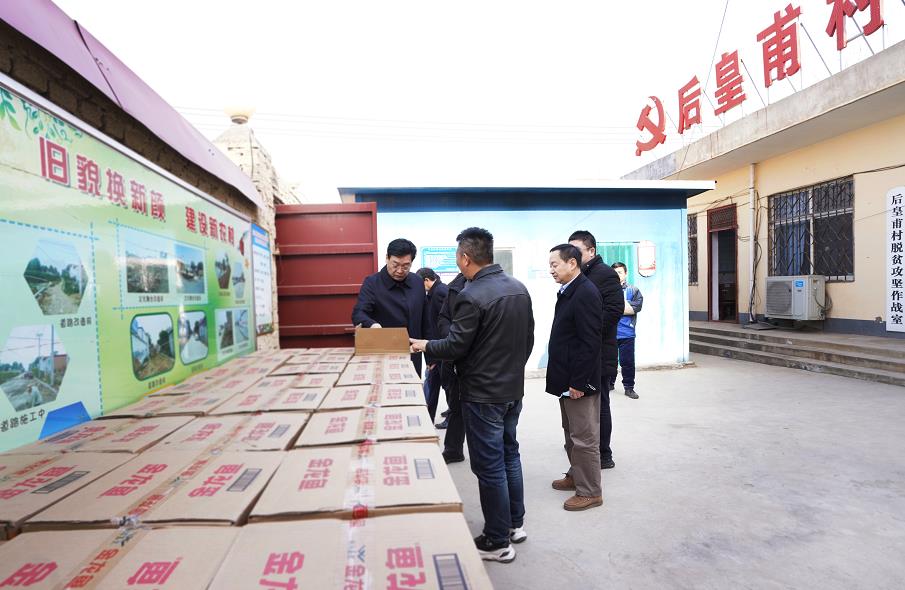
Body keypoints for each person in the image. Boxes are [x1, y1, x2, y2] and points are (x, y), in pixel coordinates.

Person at [410, 227, 534, 564]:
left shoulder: (471, 294)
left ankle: (497, 540)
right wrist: (511, 371)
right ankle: (514, 525)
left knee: (489, 466)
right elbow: (528, 340)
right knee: (509, 455)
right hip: (512, 389)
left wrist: (425, 345)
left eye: (457, 256)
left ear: (465, 258)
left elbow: (455, 345)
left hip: (482, 394)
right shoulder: (518, 288)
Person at [546, 244, 604, 511]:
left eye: (554, 265)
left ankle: (590, 491)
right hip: (566, 377)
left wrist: (579, 382)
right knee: (571, 433)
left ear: (572, 263)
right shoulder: (570, 290)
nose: (551, 270)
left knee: (584, 438)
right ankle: (575, 475)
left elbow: (590, 342)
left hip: (578, 381)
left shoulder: (585, 293)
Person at [569, 230, 624, 469]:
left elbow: (613, 310)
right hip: (582, 352)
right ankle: (588, 448)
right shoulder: (579, 275)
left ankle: (603, 454)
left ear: (591, 251)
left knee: (599, 405)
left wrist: (586, 330)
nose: (572, 256)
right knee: (585, 406)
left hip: (599, 352)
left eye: (577, 251)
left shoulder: (604, 274)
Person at [352, 238, 429, 375]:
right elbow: (359, 313)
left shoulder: (417, 282)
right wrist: (372, 324)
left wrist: (431, 356)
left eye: (406, 266)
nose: (400, 270)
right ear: (387, 258)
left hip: (412, 353)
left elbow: (425, 320)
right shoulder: (372, 283)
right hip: (383, 353)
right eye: (395, 264)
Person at [435, 272, 467, 462]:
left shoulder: (496, 287)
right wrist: (452, 340)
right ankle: (453, 450)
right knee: (456, 407)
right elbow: (443, 317)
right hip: (454, 358)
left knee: (486, 413)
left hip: (482, 363)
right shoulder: (454, 286)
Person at [416, 267, 448, 422]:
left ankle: (429, 419)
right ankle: (430, 417)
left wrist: (433, 355)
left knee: (439, 385)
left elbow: (442, 324)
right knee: (437, 384)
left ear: (426, 280)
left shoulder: (439, 292)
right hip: (438, 348)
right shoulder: (436, 291)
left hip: (440, 348)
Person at [611, 262, 643, 399]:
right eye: (614, 273)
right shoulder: (606, 290)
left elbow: (637, 307)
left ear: (625, 274)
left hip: (627, 333)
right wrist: (625, 307)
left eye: (619, 272)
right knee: (609, 361)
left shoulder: (633, 290)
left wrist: (615, 307)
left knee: (628, 362)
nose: (617, 275)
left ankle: (629, 388)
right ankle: (609, 383)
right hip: (610, 333)